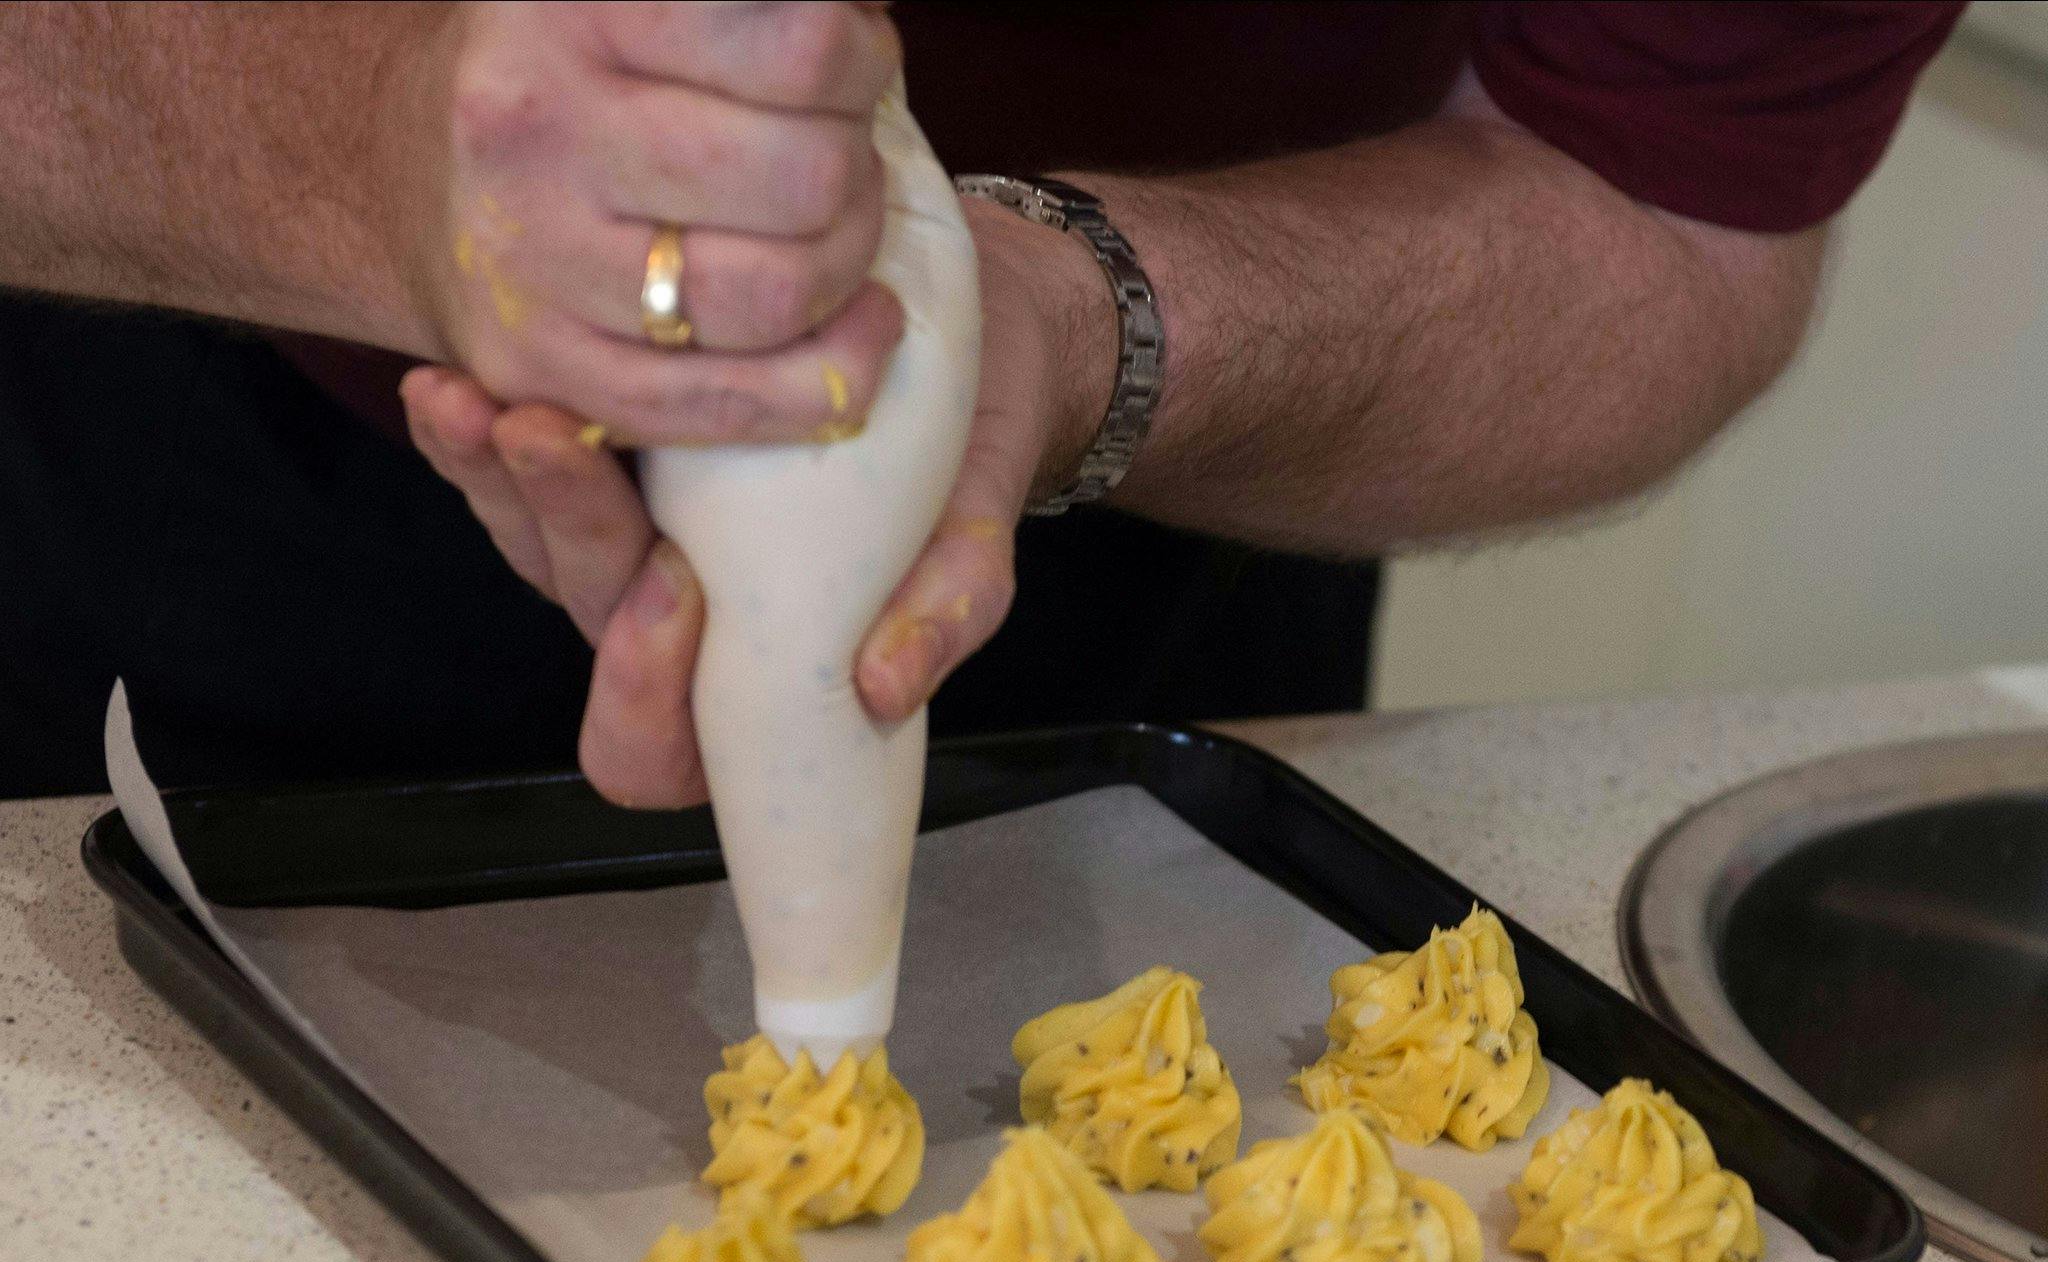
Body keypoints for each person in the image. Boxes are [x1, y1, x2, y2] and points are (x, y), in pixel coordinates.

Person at [0, 2, 1963, 802]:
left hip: (1159, 553)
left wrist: (1074, 319)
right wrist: (345, 152)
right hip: (168, 449)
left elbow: (1664, 205)